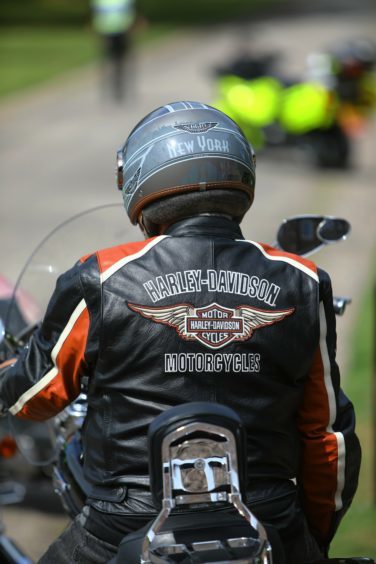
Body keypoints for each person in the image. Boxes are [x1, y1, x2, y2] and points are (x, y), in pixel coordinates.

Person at [0, 101, 361, 563]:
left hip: (126, 520)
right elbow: (328, 437)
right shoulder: (302, 281)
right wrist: (307, 539)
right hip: (268, 519)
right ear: (241, 174)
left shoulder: (103, 277)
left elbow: (35, 398)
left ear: (140, 179)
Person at [91, 0, 137, 101]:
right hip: (106, 33)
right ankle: (109, 88)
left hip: (123, 32)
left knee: (121, 62)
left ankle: (120, 88)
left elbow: (131, 12)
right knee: (108, 62)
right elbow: (95, 14)